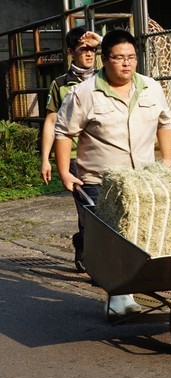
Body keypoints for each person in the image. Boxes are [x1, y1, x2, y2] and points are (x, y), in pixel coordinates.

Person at [54, 29, 171, 315]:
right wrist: (64, 172)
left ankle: (126, 292)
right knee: (113, 238)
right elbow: (63, 132)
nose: (126, 64)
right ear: (105, 59)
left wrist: (167, 160)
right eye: (119, 58)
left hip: (141, 179)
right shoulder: (83, 93)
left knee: (137, 236)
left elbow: (165, 122)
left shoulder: (150, 88)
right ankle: (119, 296)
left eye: (131, 58)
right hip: (100, 180)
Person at [40, 26, 102, 273]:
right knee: (90, 209)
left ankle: (83, 242)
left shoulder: (106, 77)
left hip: (105, 153)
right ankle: (98, 262)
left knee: (108, 209)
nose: (89, 54)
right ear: (70, 52)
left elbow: (124, 54)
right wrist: (46, 159)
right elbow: (51, 122)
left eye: (93, 49)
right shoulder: (61, 84)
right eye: (83, 49)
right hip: (76, 157)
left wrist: (102, 41)